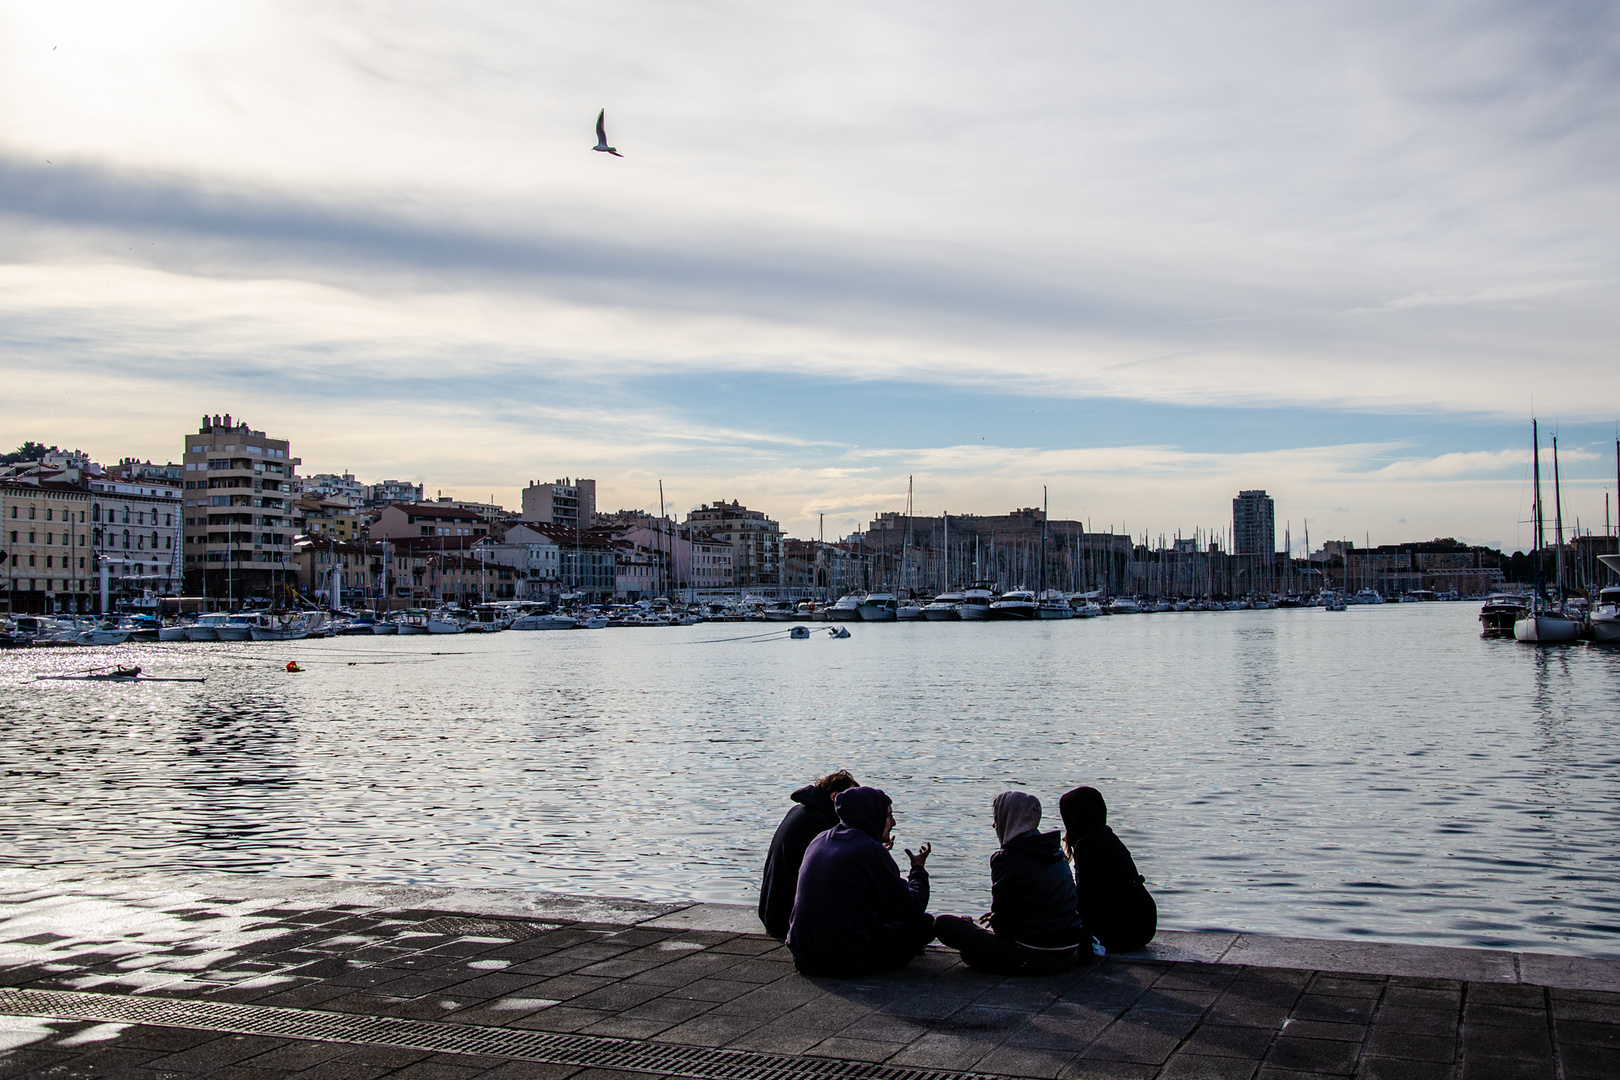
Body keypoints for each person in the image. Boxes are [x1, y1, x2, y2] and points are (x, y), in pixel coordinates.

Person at [786, 786, 935, 977]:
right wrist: (918, 870)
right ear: (873, 815)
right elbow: (912, 907)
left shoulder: (820, 839)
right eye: (888, 815)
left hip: (803, 956)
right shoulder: (870, 851)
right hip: (845, 960)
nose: (894, 822)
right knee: (925, 923)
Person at [934, 791, 1085, 975]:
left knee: (944, 924)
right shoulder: (1056, 852)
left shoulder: (1006, 858)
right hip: (1070, 954)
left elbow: (1003, 927)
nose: (994, 824)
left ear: (1009, 818)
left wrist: (998, 919)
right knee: (973, 951)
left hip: (1032, 958)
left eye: (997, 817)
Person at [758, 770, 859, 938]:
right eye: (853, 799)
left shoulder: (800, 811)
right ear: (835, 797)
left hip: (773, 913)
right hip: (789, 921)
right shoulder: (820, 824)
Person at [1060, 786, 1156, 953]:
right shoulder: (1107, 835)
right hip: (1144, 925)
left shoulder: (1087, 845)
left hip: (1123, 934)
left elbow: (1083, 899)